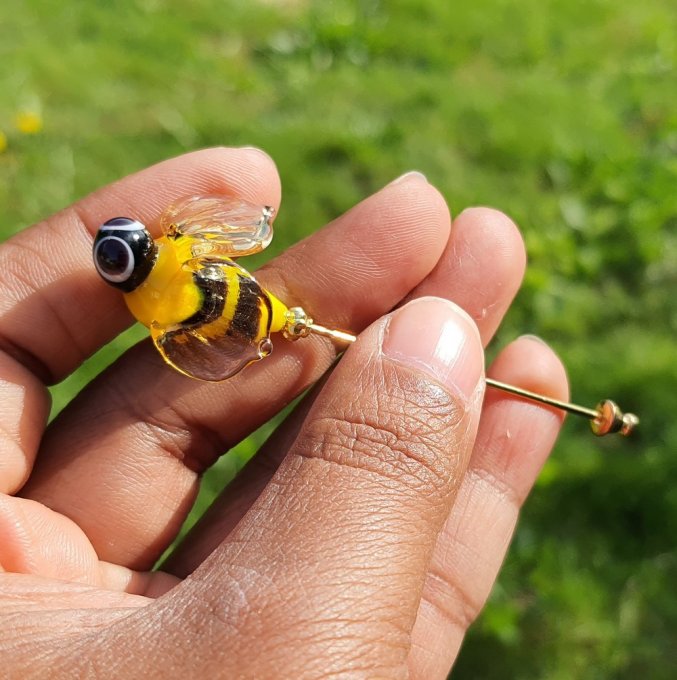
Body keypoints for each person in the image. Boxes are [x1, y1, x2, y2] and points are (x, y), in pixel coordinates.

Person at [0, 147, 567, 678]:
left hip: (251, 320)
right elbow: (195, 315)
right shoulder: (172, 249)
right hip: (249, 320)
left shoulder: (144, 297)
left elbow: (185, 327)